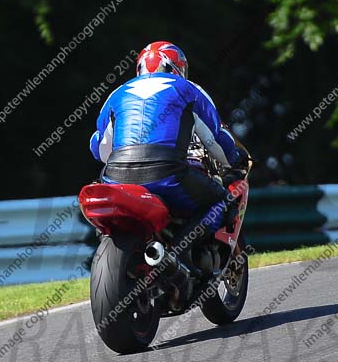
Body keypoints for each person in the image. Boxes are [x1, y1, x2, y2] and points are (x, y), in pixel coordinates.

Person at [89, 41, 247, 270]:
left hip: (115, 176)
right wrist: (234, 160)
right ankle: (180, 252)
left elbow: (99, 148)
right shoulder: (188, 89)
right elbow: (215, 138)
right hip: (168, 173)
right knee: (221, 201)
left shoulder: (118, 93)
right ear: (178, 68)